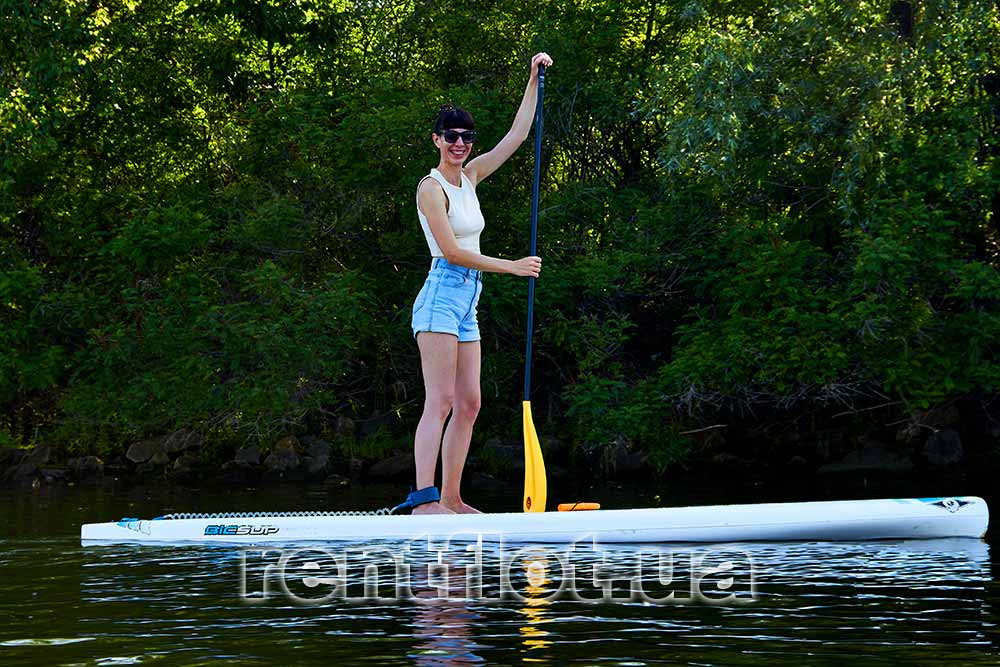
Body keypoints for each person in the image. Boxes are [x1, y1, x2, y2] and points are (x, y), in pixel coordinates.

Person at [398, 52, 553, 515]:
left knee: (470, 403)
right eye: (452, 137)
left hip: (468, 302)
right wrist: (512, 266)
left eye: (466, 137)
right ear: (437, 140)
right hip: (440, 296)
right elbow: (450, 251)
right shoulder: (431, 188)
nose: (460, 143)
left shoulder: (471, 177)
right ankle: (423, 500)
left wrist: (532, 79)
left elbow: (518, 135)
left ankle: (452, 498)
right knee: (441, 400)